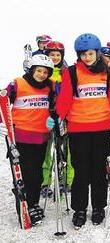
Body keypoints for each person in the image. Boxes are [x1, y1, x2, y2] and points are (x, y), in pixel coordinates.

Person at [55, 33, 110, 228]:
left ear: (97, 53)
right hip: (78, 129)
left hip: (102, 127)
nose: (87, 57)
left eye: (90, 53)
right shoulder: (71, 72)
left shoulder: (107, 72)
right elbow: (64, 99)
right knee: (81, 171)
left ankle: (98, 207)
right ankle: (80, 209)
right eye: (83, 54)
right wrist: (56, 117)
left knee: (99, 170)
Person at [0, 54, 55, 226]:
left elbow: (55, 104)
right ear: (32, 70)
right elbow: (2, 102)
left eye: (45, 72)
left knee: (37, 174)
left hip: (41, 137)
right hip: (21, 136)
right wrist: (2, 122)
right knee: (25, 175)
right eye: (39, 71)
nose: (41, 75)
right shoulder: (18, 83)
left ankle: (33, 204)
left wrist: (55, 117)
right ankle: (25, 206)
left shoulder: (50, 87)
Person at [39, 41, 75, 198]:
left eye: (57, 55)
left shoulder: (67, 73)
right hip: (47, 117)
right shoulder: (43, 73)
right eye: (51, 55)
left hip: (64, 117)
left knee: (66, 151)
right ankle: (44, 182)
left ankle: (67, 180)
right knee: (47, 152)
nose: (54, 57)